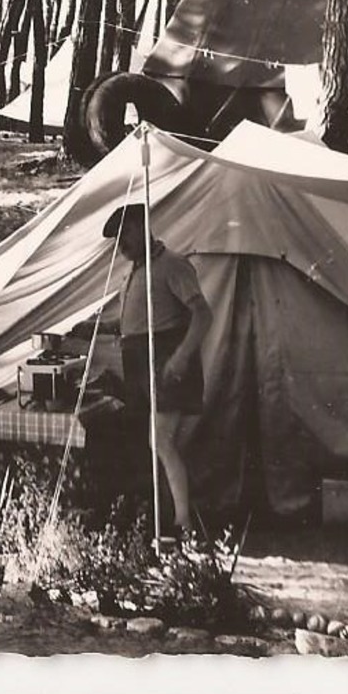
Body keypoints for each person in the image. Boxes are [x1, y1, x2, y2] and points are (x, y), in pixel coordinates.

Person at [104, 202, 212, 544]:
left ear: (141, 226)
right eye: (117, 240)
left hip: (165, 361)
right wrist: (94, 328)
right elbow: (133, 322)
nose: (121, 245)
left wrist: (181, 357)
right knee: (156, 444)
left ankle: (184, 525)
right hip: (140, 364)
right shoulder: (134, 272)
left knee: (161, 441)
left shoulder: (172, 265)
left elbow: (203, 315)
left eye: (125, 234)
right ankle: (166, 518)